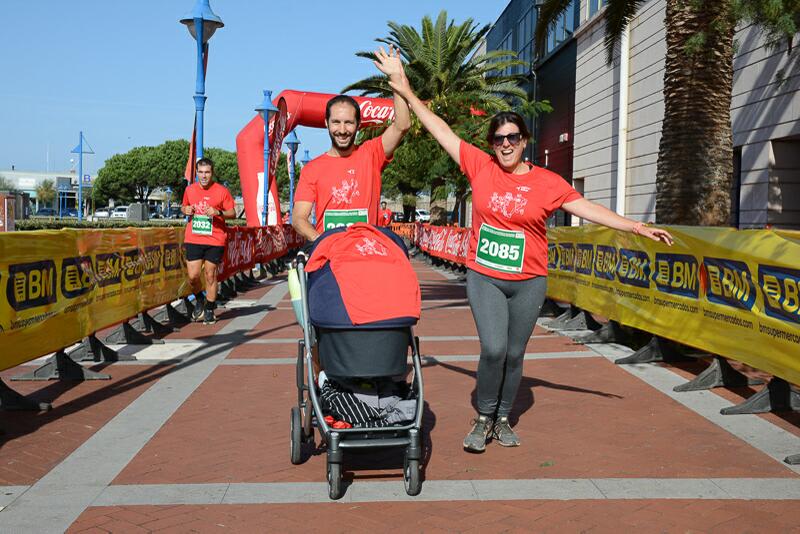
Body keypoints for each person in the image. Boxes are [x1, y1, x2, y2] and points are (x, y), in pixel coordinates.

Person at [388, 63, 674, 452]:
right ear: (491, 144)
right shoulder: (480, 166)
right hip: (485, 275)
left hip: (529, 280)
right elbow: (440, 128)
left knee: (516, 353)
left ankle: (503, 418)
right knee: (493, 349)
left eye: (512, 137)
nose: (505, 144)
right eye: (498, 138)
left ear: (525, 141)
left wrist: (637, 228)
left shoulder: (548, 183)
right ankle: (483, 416)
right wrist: (405, 89)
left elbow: (588, 209)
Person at [292, 46, 410, 242]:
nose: (342, 129)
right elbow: (298, 218)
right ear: (326, 124)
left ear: (358, 125)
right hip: (330, 259)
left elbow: (402, 125)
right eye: (336, 122)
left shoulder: (372, 153)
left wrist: (396, 78)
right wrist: (322, 241)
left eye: (348, 123)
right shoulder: (312, 169)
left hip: (368, 255)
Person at [181, 157, 236, 324]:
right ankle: (199, 299)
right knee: (193, 276)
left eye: (207, 172)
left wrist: (217, 212)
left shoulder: (222, 191)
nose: (204, 176)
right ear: (196, 173)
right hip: (194, 238)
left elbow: (232, 213)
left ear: (212, 173)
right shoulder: (190, 190)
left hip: (215, 239)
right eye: (201, 172)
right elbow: (183, 207)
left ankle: (210, 308)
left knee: (210, 275)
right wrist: (187, 209)